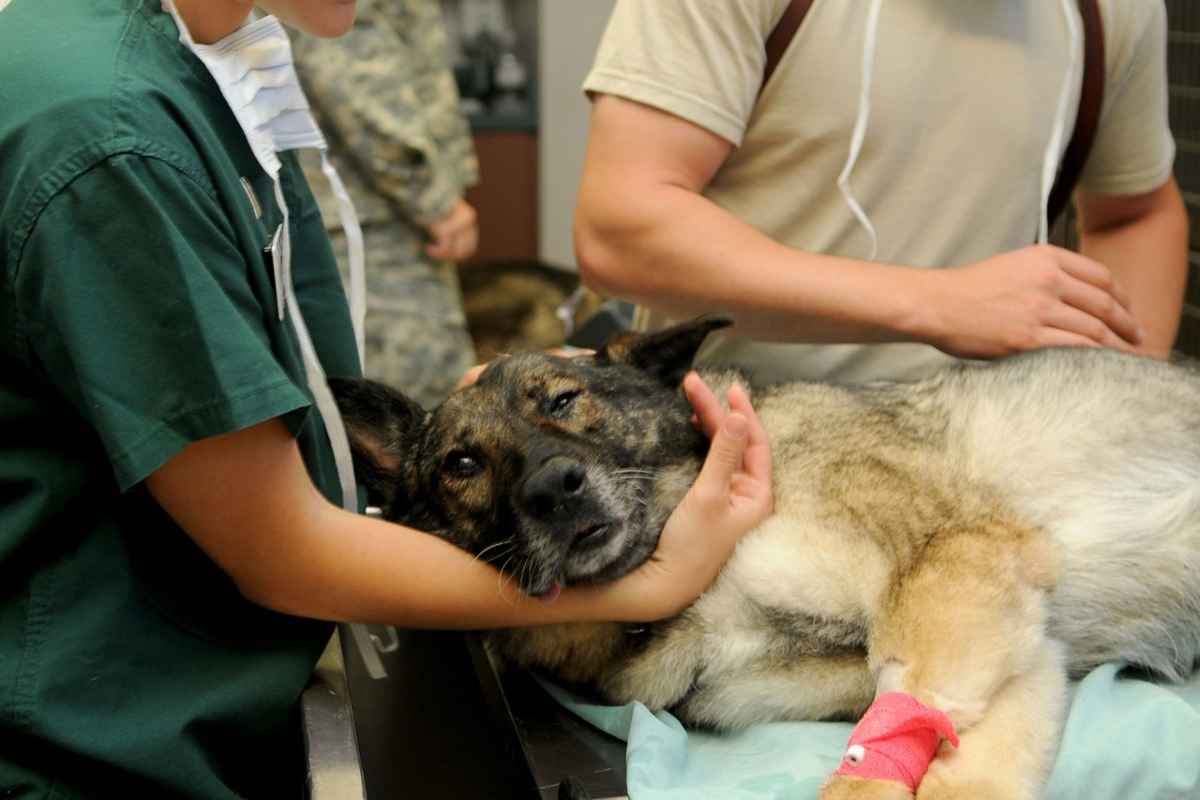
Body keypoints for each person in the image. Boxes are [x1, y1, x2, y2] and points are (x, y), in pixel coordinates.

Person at [0, 1, 773, 797]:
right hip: (93, 753)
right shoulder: (111, 137)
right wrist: (657, 580)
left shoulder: (200, 65)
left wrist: (501, 411)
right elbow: (280, 550)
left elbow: (251, 386)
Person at [575, 0, 1190, 385]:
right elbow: (622, 227)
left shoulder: (1115, 12)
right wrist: (939, 303)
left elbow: (1135, 212)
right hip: (740, 445)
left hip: (996, 452)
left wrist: (1119, 401)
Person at [293, 0, 481, 409]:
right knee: (412, 414)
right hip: (372, 226)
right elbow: (351, 74)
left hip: (370, 216)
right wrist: (436, 202)